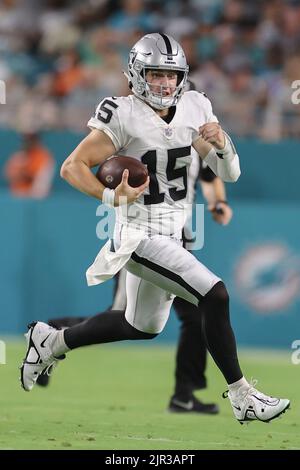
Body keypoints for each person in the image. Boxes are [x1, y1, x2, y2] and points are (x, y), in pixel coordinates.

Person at [20, 33, 290, 424]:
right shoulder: (123, 113)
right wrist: (111, 198)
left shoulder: (197, 105)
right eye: (156, 73)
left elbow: (229, 173)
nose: (165, 83)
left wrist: (223, 143)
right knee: (215, 295)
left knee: (139, 326)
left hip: (173, 232)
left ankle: (52, 340)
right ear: (136, 73)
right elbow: (71, 166)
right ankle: (242, 395)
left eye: (171, 75)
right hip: (139, 234)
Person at [36, 154, 232, 416]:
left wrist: (218, 201)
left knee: (196, 314)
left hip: (178, 237)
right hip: (143, 237)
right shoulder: (146, 134)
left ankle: (184, 394)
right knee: (121, 316)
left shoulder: (192, 132)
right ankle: (54, 335)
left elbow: (210, 175)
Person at [4, 132, 55, 198]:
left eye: (30, 139)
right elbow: (8, 176)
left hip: (36, 197)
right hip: (17, 196)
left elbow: (42, 183)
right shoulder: (19, 155)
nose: (27, 142)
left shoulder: (45, 157)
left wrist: (25, 175)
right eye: (25, 139)